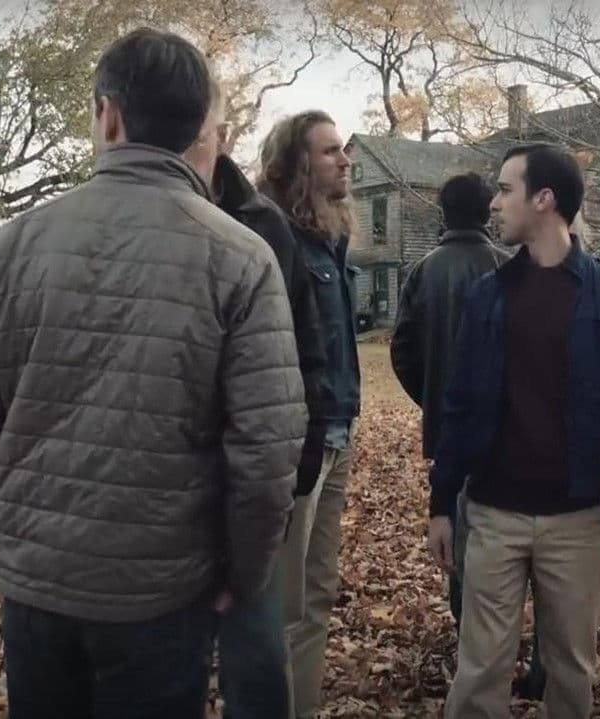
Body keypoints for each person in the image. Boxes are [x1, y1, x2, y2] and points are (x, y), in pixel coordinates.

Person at [0, 28, 305, 718]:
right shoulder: (240, 257)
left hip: (40, 585)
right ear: (198, 126)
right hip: (163, 590)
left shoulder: (11, 246)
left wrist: (14, 530)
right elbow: (267, 450)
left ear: (108, 115)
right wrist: (243, 573)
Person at [426, 143, 600, 718]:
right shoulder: (488, 296)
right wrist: (441, 503)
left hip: (577, 519)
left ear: (544, 199)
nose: (494, 203)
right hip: (493, 514)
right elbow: (460, 405)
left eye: (506, 190)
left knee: (570, 669)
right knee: (480, 668)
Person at [181, 90, 330, 719]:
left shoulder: (263, 225)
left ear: (221, 132)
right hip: (163, 499)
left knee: (259, 657)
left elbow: (305, 353)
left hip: (250, 491)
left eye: (206, 125)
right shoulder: (116, 222)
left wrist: (296, 474)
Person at [389, 172, 547, 698]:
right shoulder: (510, 266)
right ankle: (536, 659)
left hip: (451, 434)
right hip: (513, 432)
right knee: (528, 540)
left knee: (462, 543)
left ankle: (474, 647)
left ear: (443, 213)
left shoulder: (424, 272)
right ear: (486, 212)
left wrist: (434, 399)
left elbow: (403, 350)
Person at [257, 110, 361, 719]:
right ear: (296, 164)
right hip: (299, 442)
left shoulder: (331, 238)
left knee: (318, 592)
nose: (345, 160)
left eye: (343, 150)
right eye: (329, 152)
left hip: (340, 431)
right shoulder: (275, 239)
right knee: (285, 601)